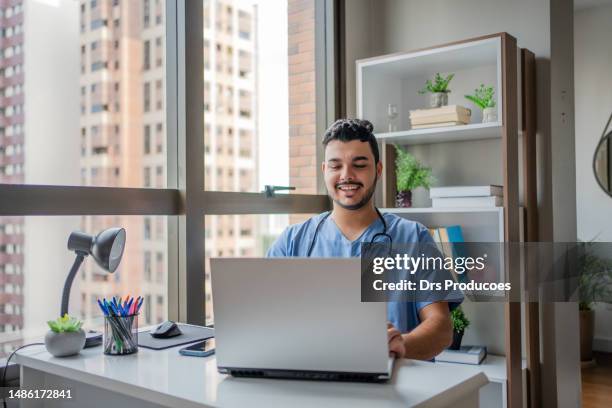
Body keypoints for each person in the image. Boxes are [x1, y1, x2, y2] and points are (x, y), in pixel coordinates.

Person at [267, 118, 460, 360]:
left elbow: (441, 328)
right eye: (336, 166)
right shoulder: (292, 242)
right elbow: (266, 317)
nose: (347, 175)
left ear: (378, 171)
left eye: (359, 165)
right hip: (313, 380)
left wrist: (399, 345)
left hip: (396, 385)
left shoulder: (413, 238)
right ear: (324, 171)